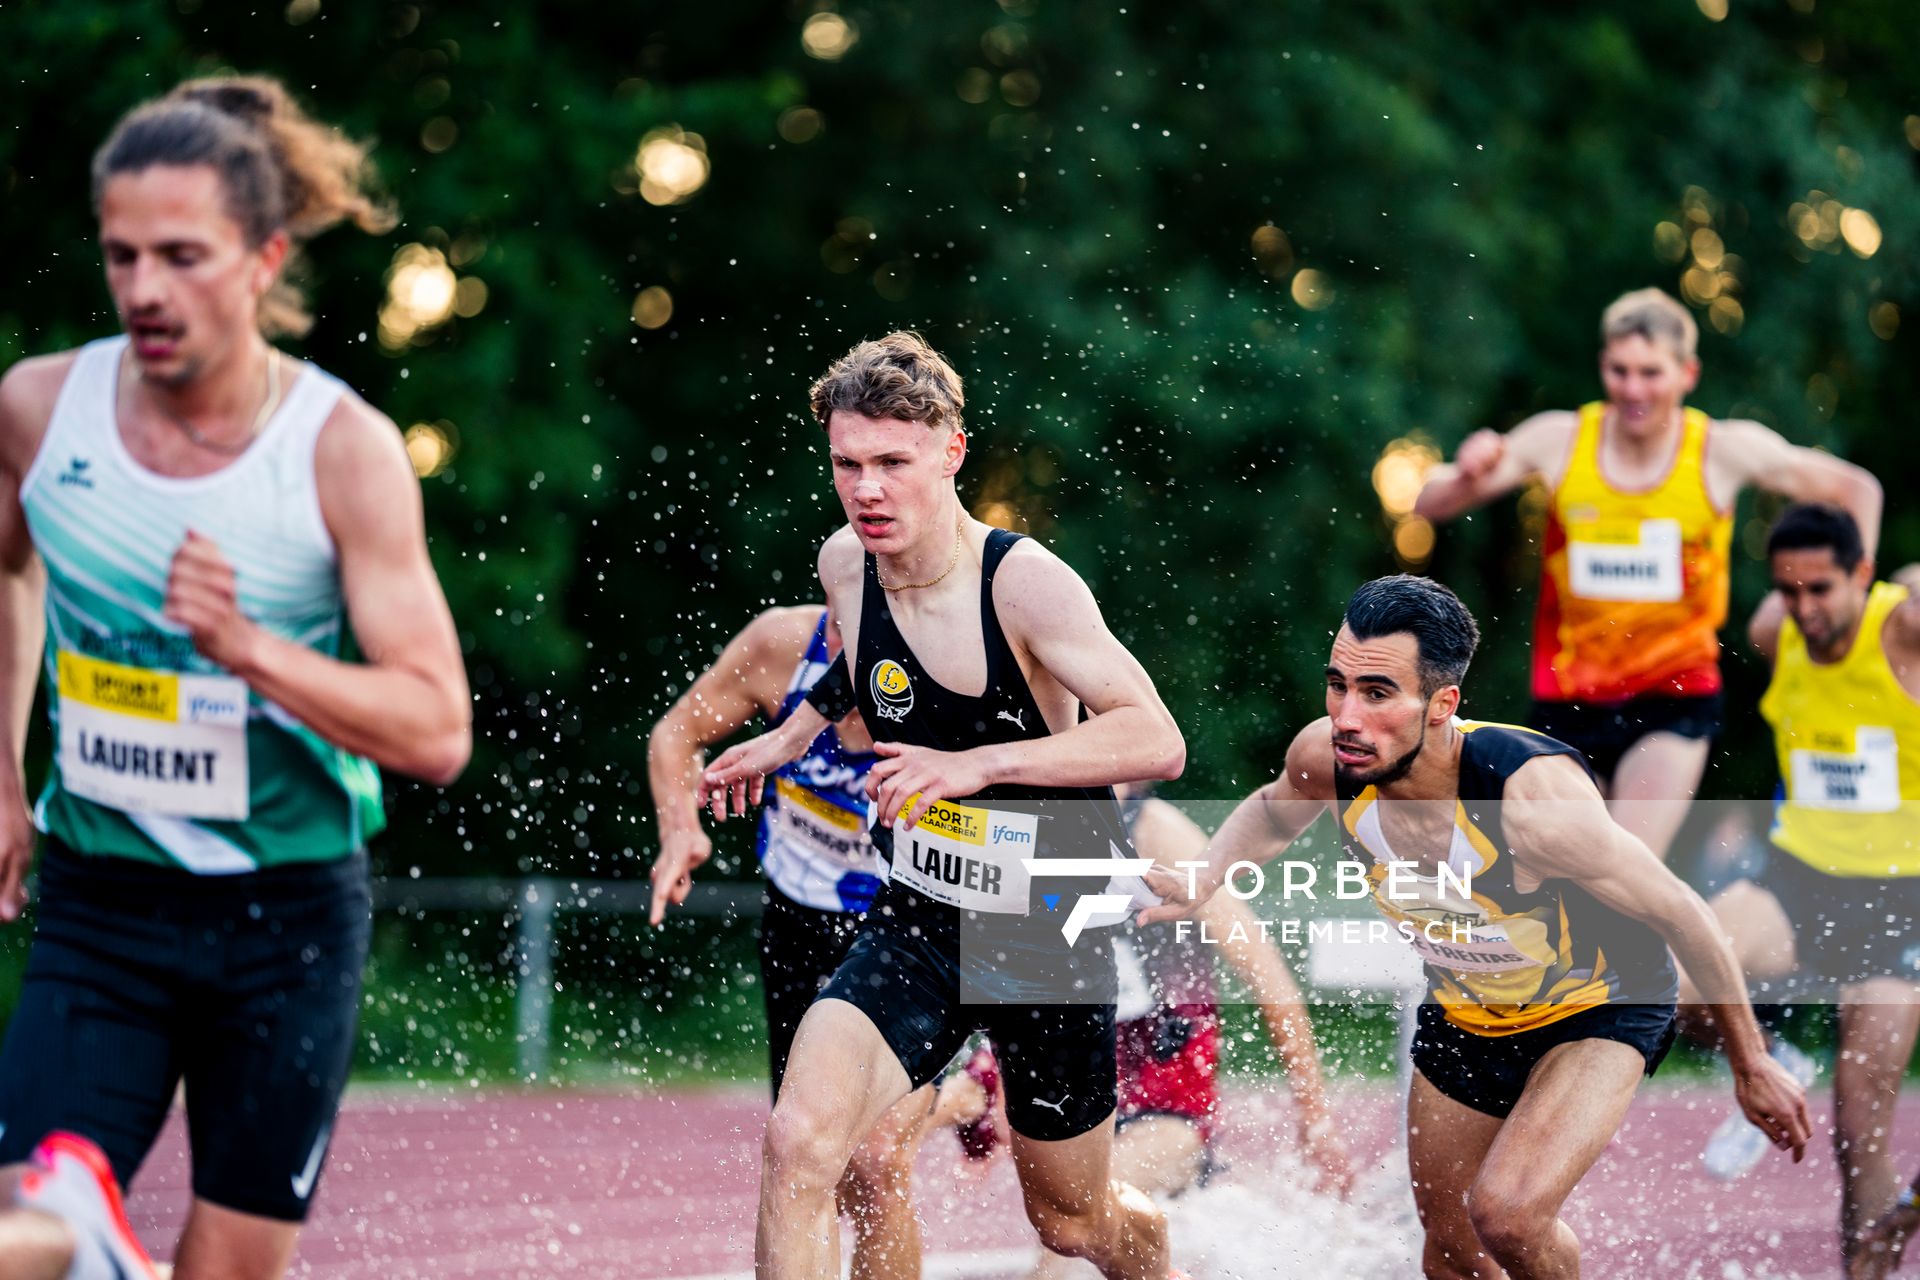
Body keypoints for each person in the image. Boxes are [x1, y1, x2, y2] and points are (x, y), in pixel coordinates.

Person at [0, 77, 471, 1280]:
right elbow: (9, 575)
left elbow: (434, 726)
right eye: (122, 255)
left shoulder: (339, 450)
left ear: (263, 258)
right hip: (103, 902)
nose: (145, 289)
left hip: (288, 923)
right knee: (25, 1234)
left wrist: (251, 647)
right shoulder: (38, 412)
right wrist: (3, 775)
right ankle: (95, 1245)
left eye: (182, 256)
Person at [1142, 575, 1809, 1280]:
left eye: (1376, 694)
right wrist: (1206, 872)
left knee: (1509, 1216)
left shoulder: (1530, 799)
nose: (1346, 716)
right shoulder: (1329, 758)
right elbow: (1274, 811)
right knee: (1451, 1253)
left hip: (1595, 1007)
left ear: (1441, 705)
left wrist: (1752, 1062)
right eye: (1337, 685)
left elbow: (1680, 911)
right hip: (1468, 1010)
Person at [697, 332, 1187, 1280]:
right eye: (848, 464)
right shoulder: (846, 563)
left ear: (951, 453)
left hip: (1044, 931)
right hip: (918, 914)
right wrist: (794, 734)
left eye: (893, 463)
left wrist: (978, 766)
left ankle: (1150, 1246)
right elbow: (859, 665)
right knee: (800, 1142)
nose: (868, 489)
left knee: (1074, 1225)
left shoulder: (1024, 583)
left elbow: (1155, 737)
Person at [1415, 287, 1882, 861]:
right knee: (1563, 869)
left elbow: (1859, 489)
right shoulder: (1560, 440)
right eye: (1619, 371)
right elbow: (1427, 502)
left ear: (1688, 373)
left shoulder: (1722, 451)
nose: (1633, 390)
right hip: (1568, 698)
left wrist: (1855, 607)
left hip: (1673, 694)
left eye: (1651, 373)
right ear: (1601, 366)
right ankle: (1633, 952)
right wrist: (1468, 467)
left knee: (1622, 860)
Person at [647, 602, 974, 1280]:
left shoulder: (954, 667)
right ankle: (965, 1096)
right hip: (798, 926)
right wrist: (681, 827)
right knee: (811, 1164)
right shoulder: (781, 646)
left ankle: (965, 1087)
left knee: (879, 1163)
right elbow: (676, 734)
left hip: (906, 929)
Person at [942, 783, 1356, 1280]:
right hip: (1063, 1063)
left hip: (1161, 1103)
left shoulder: (1155, 831)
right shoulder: (1026, 824)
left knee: (1081, 1211)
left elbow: (1265, 973)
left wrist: (1315, 1118)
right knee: (903, 1118)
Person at [1676, 505, 1920, 1265]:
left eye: (1822, 589)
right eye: (1790, 591)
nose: (1805, 609)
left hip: (1901, 899)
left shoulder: (1905, 635)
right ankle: (1771, 1055)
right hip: (1798, 881)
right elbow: (1772, 606)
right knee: (1672, 985)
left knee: (1860, 1127)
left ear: (1862, 575)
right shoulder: (1774, 632)